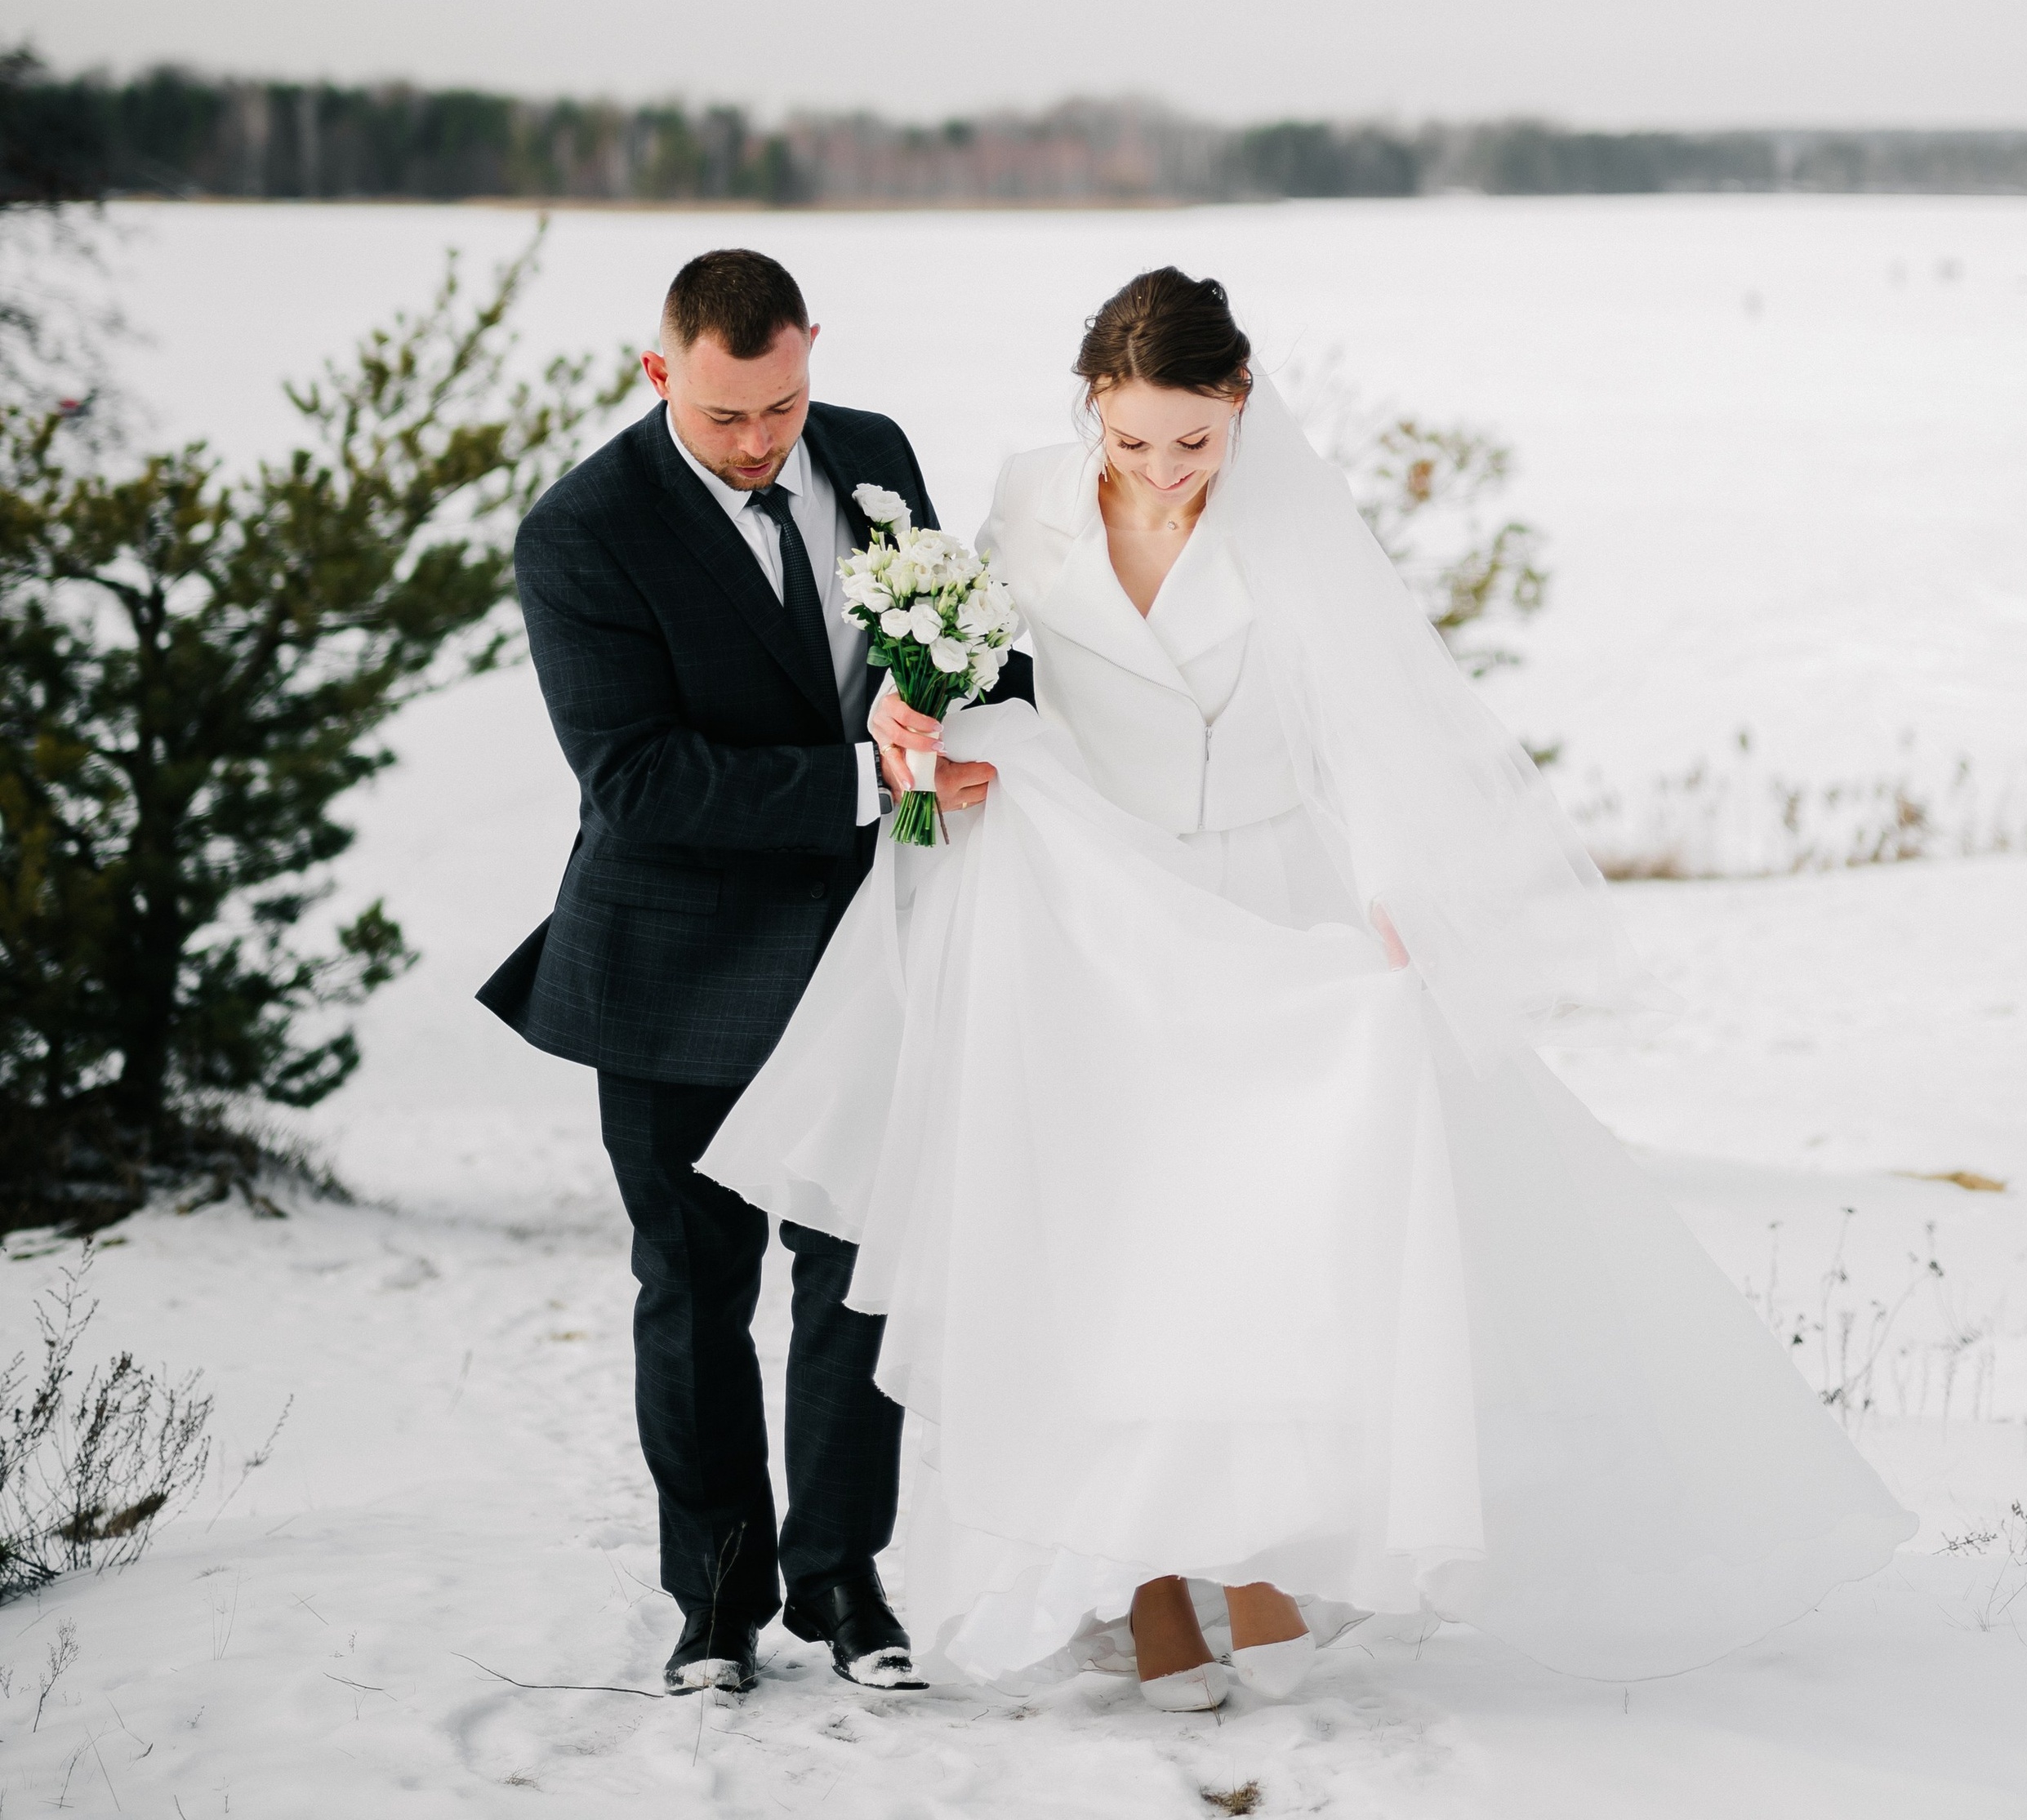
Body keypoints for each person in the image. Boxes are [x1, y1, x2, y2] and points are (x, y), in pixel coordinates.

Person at [706, 265, 1914, 1709]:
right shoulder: (1029, 500)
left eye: (1194, 441)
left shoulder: (1290, 520)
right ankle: (1151, 1575)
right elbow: (970, 665)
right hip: (1100, 913)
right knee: (1121, 1247)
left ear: (1241, 408)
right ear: (1092, 405)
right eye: (1135, 438)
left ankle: (1257, 1549)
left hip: (1274, 897)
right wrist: (923, 720)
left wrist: (1399, 890)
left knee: (1272, 1242)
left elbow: (1369, 712)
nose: (1164, 470)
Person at [475, 247, 1027, 1699]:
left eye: (781, 404)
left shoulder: (872, 453)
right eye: (727, 416)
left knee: (857, 1285)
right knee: (695, 1289)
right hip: (673, 970)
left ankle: (845, 1583)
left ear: (810, 358)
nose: (762, 440)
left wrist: (988, 715)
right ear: (660, 373)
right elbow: (638, 779)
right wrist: (870, 775)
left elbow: (957, 637)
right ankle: (715, 1594)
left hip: (869, 953)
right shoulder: (580, 533)